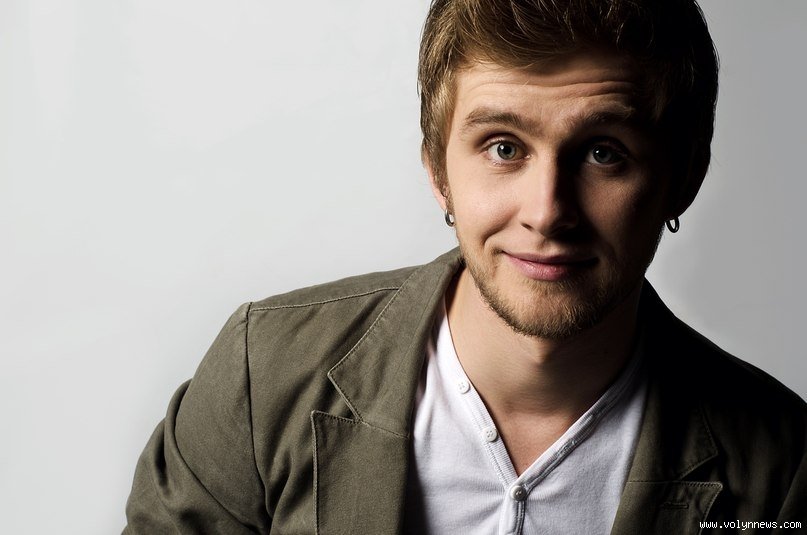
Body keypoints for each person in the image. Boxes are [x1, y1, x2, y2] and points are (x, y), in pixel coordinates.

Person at [124, 0, 806, 533]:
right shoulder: (262, 378)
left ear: (683, 178)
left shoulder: (783, 466)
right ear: (437, 170)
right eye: (504, 147)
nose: (547, 212)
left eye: (603, 152)